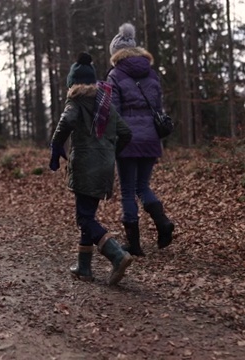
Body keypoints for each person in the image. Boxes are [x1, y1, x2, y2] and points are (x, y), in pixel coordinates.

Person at [49, 52, 134, 285]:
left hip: (85, 166)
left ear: (73, 84)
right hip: (104, 169)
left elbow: (66, 121)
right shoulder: (105, 106)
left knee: (84, 218)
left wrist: (56, 145)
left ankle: (117, 255)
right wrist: (109, 153)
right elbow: (126, 133)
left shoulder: (76, 101)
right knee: (88, 215)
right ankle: (84, 268)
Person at [106, 23, 175, 257]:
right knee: (143, 186)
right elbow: (158, 107)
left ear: (115, 53)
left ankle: (134, 244)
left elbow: (113, 112)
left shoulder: (115, 75)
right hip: (151, 137)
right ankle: (163, 223)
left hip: (127, 139)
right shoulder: (151, 73)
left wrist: (111, 138)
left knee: (127, 191)